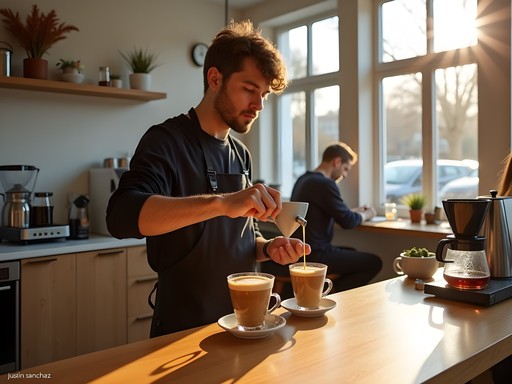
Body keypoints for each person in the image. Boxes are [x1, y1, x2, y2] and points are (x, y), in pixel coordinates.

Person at [106, 20, 310, 337]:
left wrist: (269, 249)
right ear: (215, 78)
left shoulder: (241, 154)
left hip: (246, 321)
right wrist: (221, 203)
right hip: (182, 328)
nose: (258, 105)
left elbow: (242, 238)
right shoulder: (166, 141)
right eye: (248, 89)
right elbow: (121, 216)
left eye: (264, 95)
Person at [262, 142, 382, 296]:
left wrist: (355, 212)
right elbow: (348, 221)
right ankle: (332, 295)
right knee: (373, 262)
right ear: (337, 161)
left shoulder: (304, 179)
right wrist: (369, 213)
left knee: (352, 252)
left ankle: (320, 293)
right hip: (314, 252)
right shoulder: (324, 184)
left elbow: (331, 212)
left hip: (299, 249)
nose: (344, 175)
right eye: (346, 169)